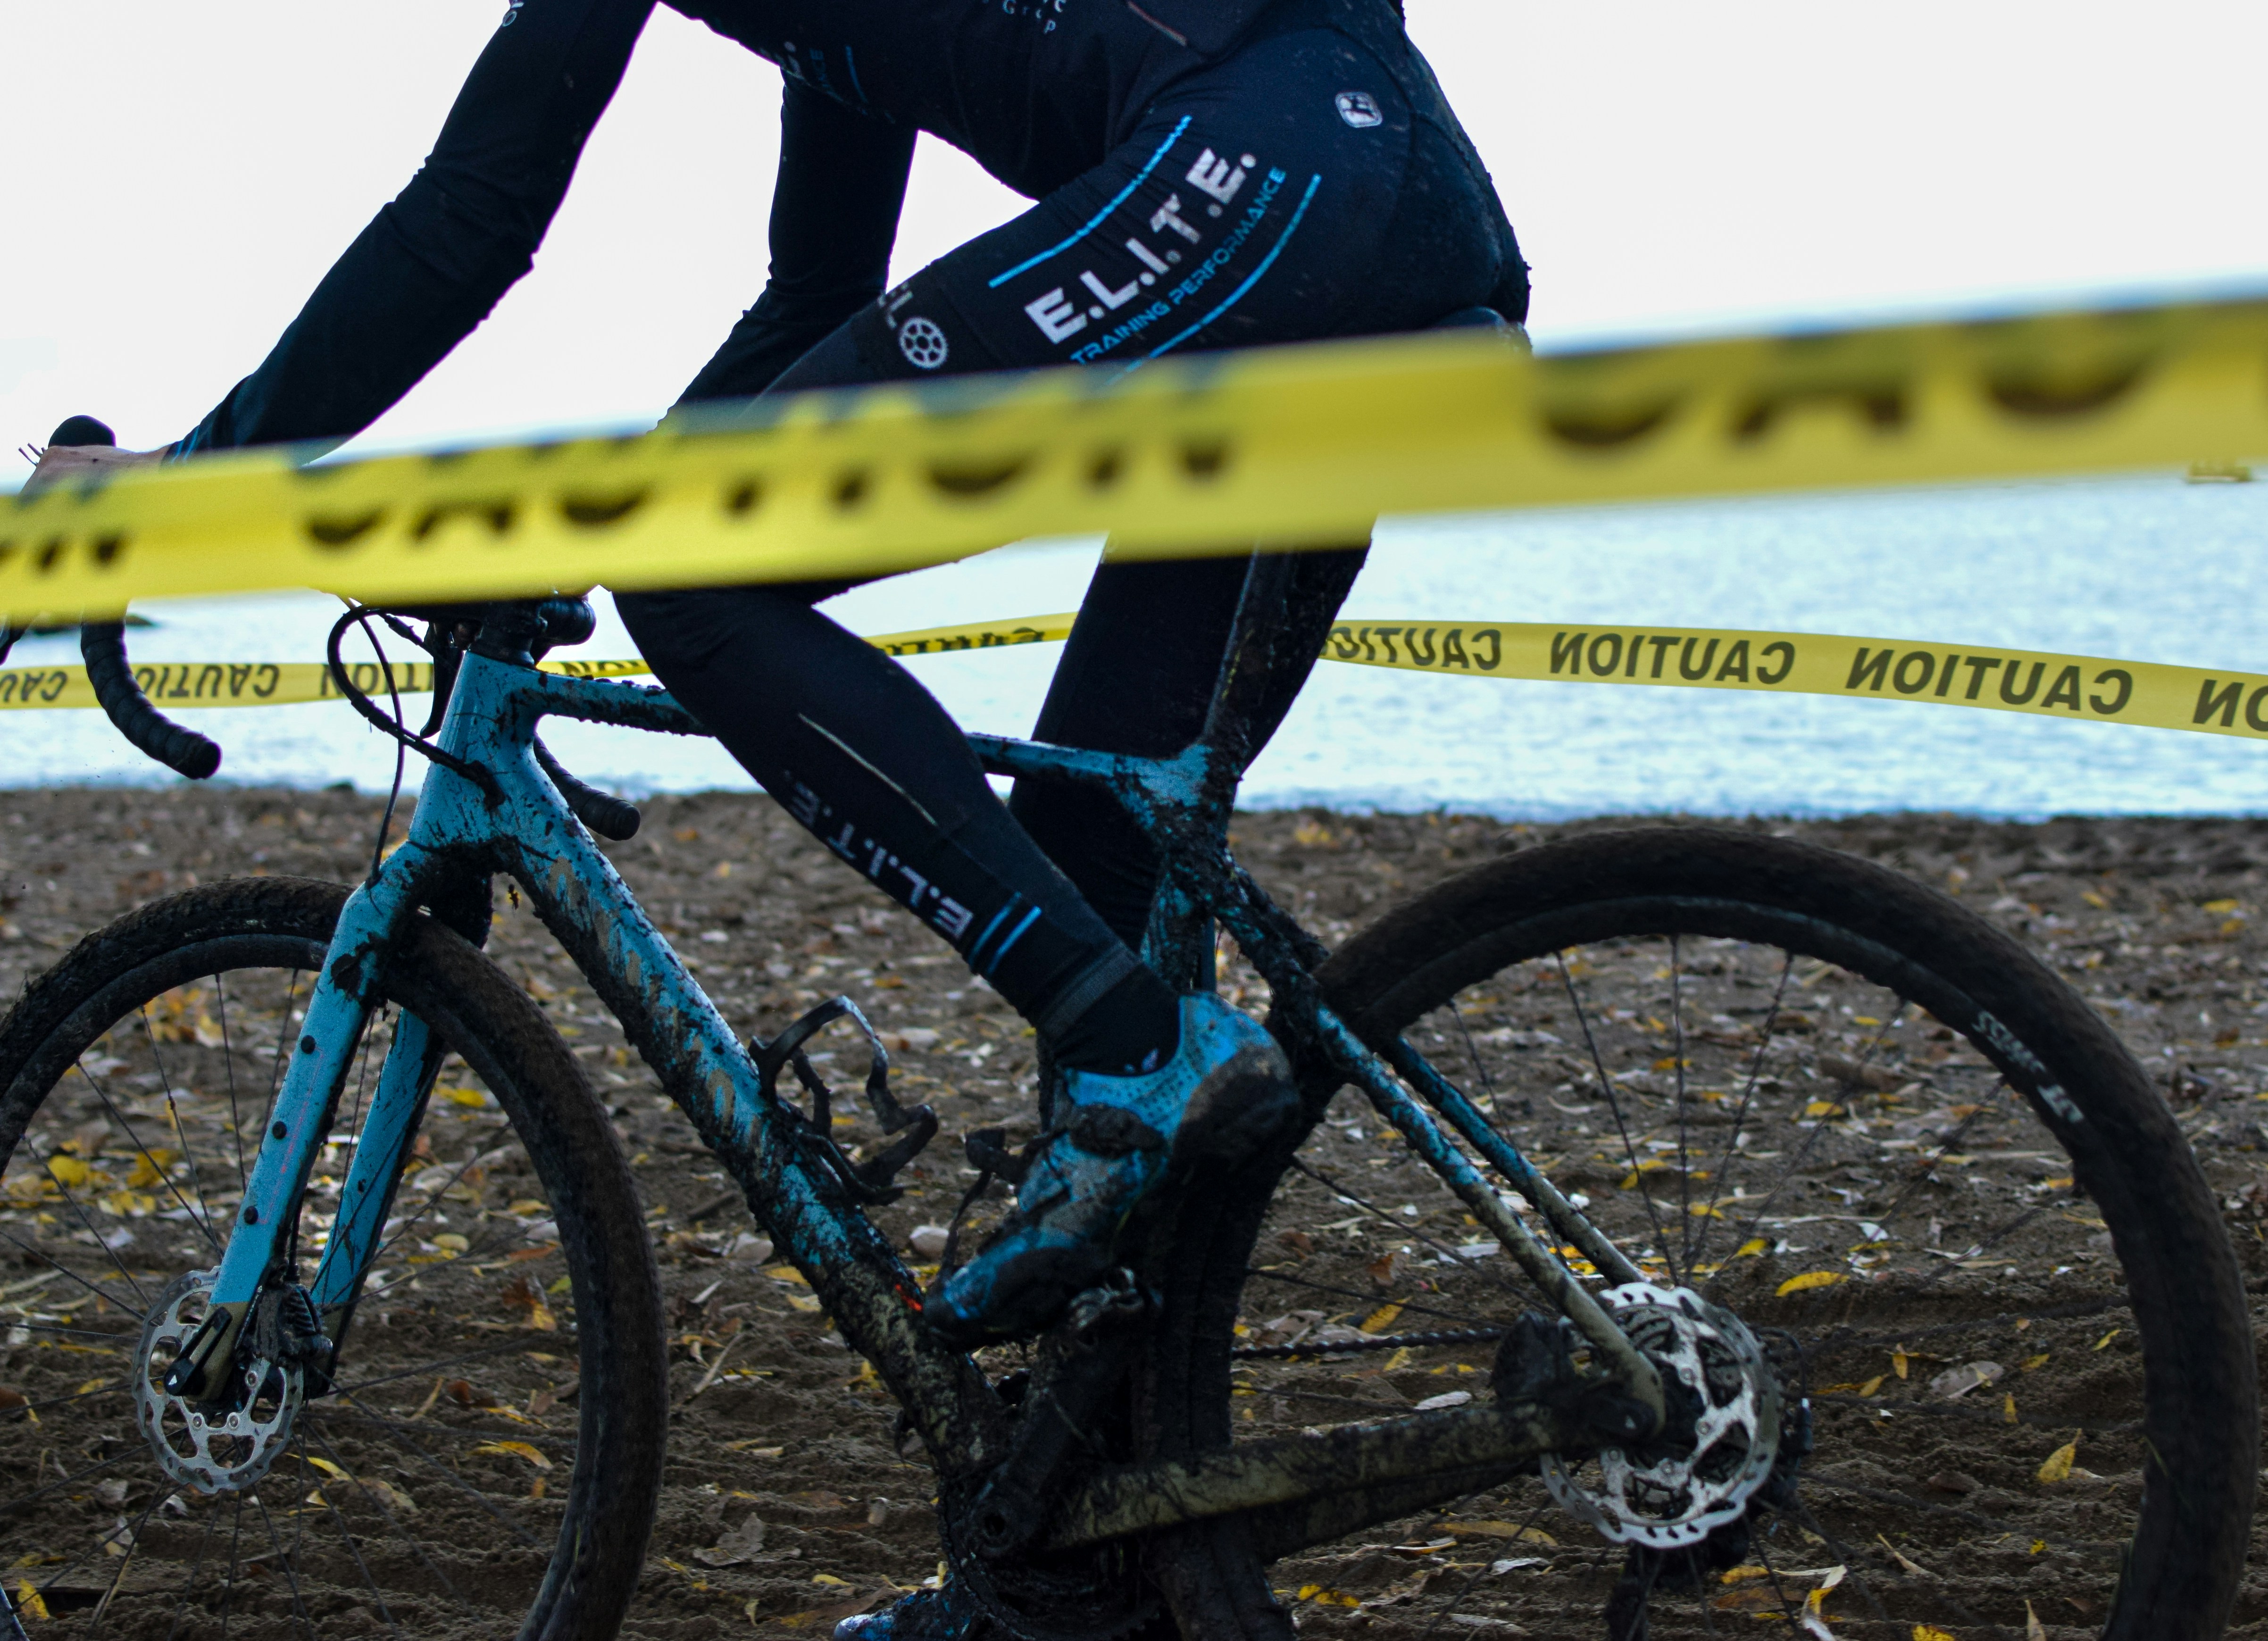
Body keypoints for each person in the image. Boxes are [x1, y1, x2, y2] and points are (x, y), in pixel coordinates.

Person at [31, 0, 1523, 1359]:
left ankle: (1133, 1051)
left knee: (700, 590)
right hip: (1392, 213)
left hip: (1259, 172)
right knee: (1095, 844)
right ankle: (1115, 1475)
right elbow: (818, 291)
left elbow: (470, 215)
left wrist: (198, 479)